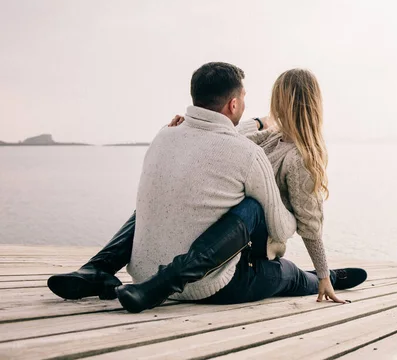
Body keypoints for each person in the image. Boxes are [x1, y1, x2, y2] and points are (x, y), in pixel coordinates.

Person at [47, 62, 366, 313]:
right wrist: (203, 126)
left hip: (241, 248)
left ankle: (329, 278)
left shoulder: (296, 156)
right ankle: (326, 279)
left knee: (293, 274)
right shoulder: (267, 142)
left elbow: (309, 222)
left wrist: (322, 273)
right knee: (285, 267)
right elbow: (229, 136)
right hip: (229, 254)